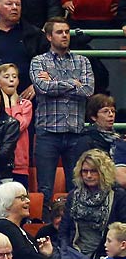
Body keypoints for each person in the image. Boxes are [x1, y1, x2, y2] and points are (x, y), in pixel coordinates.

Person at [31, 16, 96, 197]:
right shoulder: (38, 61)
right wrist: (73, 83)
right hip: (47, 133)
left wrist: (56, 83)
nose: (65, 36)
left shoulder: (82, 61)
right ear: (49, 37)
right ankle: (43, 224)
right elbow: (42, 88)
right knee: (44, 188)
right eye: (59, 32)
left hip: (75, 132)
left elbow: (88, 90)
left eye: (67, 32)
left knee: (77, 188)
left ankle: (73, 224)